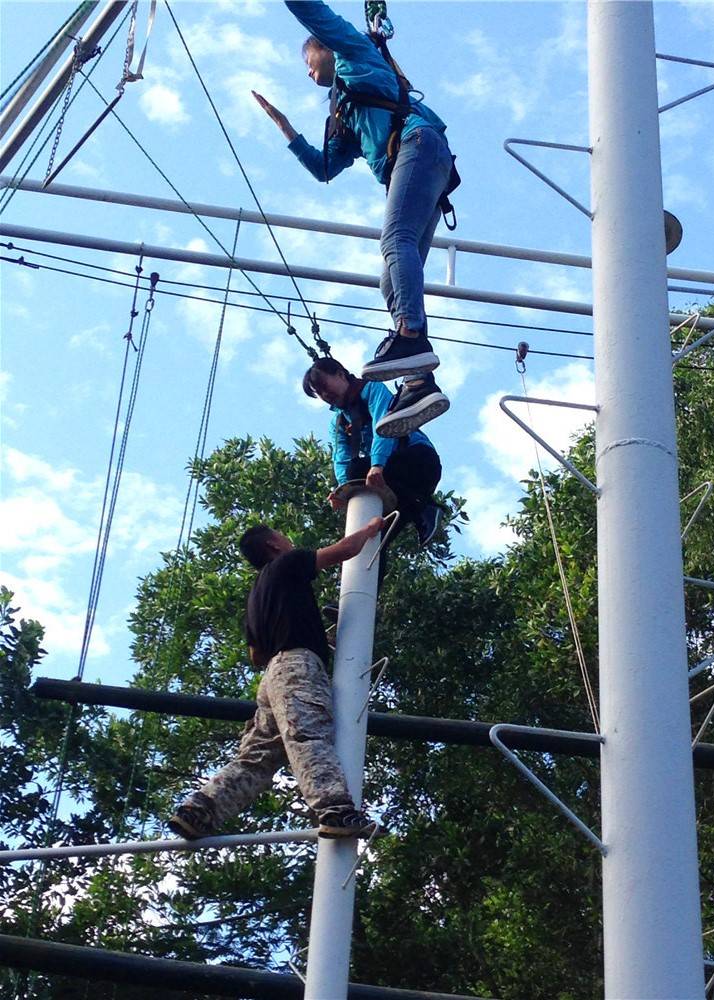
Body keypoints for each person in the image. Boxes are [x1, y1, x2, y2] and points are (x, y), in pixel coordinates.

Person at [253, 0, 456, 436]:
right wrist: (285, 127)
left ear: (325, 48)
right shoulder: (342, 106)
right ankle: (419, 381)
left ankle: (411, 334)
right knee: (391, 276)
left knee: (394, 239)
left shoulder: (355, 52)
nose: (307, 73)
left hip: (418, 144)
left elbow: (312, 13)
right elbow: (326, 167)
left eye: (308, 62)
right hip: (420, 163)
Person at [168, 517, 384, 841]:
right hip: (297, 669)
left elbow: (256, 655)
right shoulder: (288, 562)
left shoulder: (257, 594)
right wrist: (372, 527)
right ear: (273, 545)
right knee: (308, 734)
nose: (290, 542)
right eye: (284, 537)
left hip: (272, 679)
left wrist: (312, 635)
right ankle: (335, 810)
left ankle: (200, 810)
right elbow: (345, 550)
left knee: (258, 756)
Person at [302, 357, 443, 567]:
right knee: (373, 537)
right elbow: (340, 455)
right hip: (392, 478)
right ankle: (361, 595)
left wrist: (377, 465)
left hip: (418, 460)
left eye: (324, 387)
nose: (325, 395)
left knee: (357, 469)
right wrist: (343, 490)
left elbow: (384, 428)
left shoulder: (373, 390)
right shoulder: (339, 420)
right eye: (319, 393)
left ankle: (422, 507)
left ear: (340, 374)